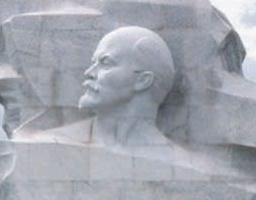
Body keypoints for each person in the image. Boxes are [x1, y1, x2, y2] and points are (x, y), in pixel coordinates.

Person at [25, 26, 177, 150]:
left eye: (105, 63)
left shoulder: (185, 163)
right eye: (93, 63)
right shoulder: (48, 146)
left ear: (143, 80)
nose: (89, 73)